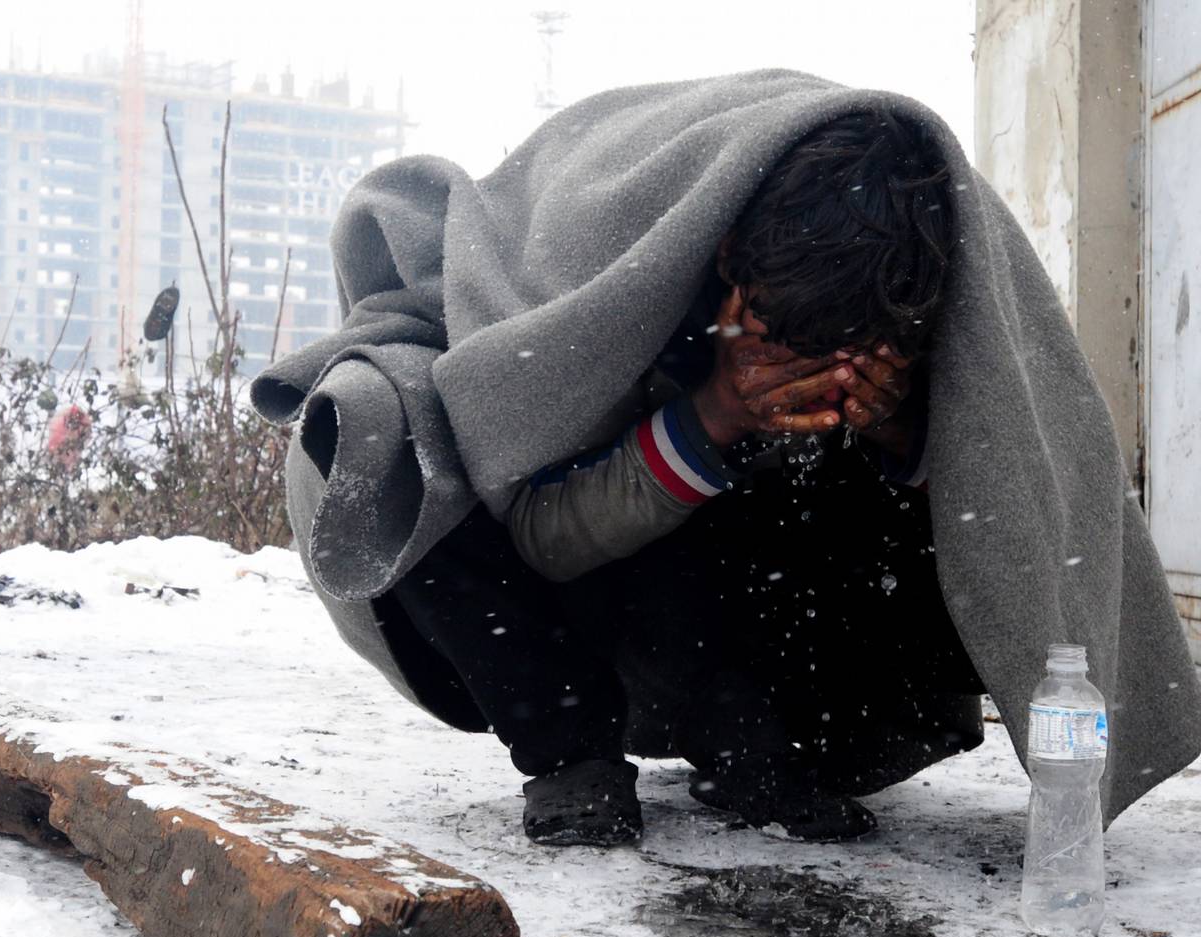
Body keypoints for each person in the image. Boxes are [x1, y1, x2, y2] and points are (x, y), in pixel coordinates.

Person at [386, 108, 985, 846]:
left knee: (842, 492)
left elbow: (1023, 514)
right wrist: (717, 413)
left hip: (783, 624)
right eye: (796, 344)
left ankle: (756, 740)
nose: (823, 376)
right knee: (385, 424)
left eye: (858, 355)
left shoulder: (916, 282)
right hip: (594, 602)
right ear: (732, 260)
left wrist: (896, 426)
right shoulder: (613, 257)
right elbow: (545, 538)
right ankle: (573, 756)